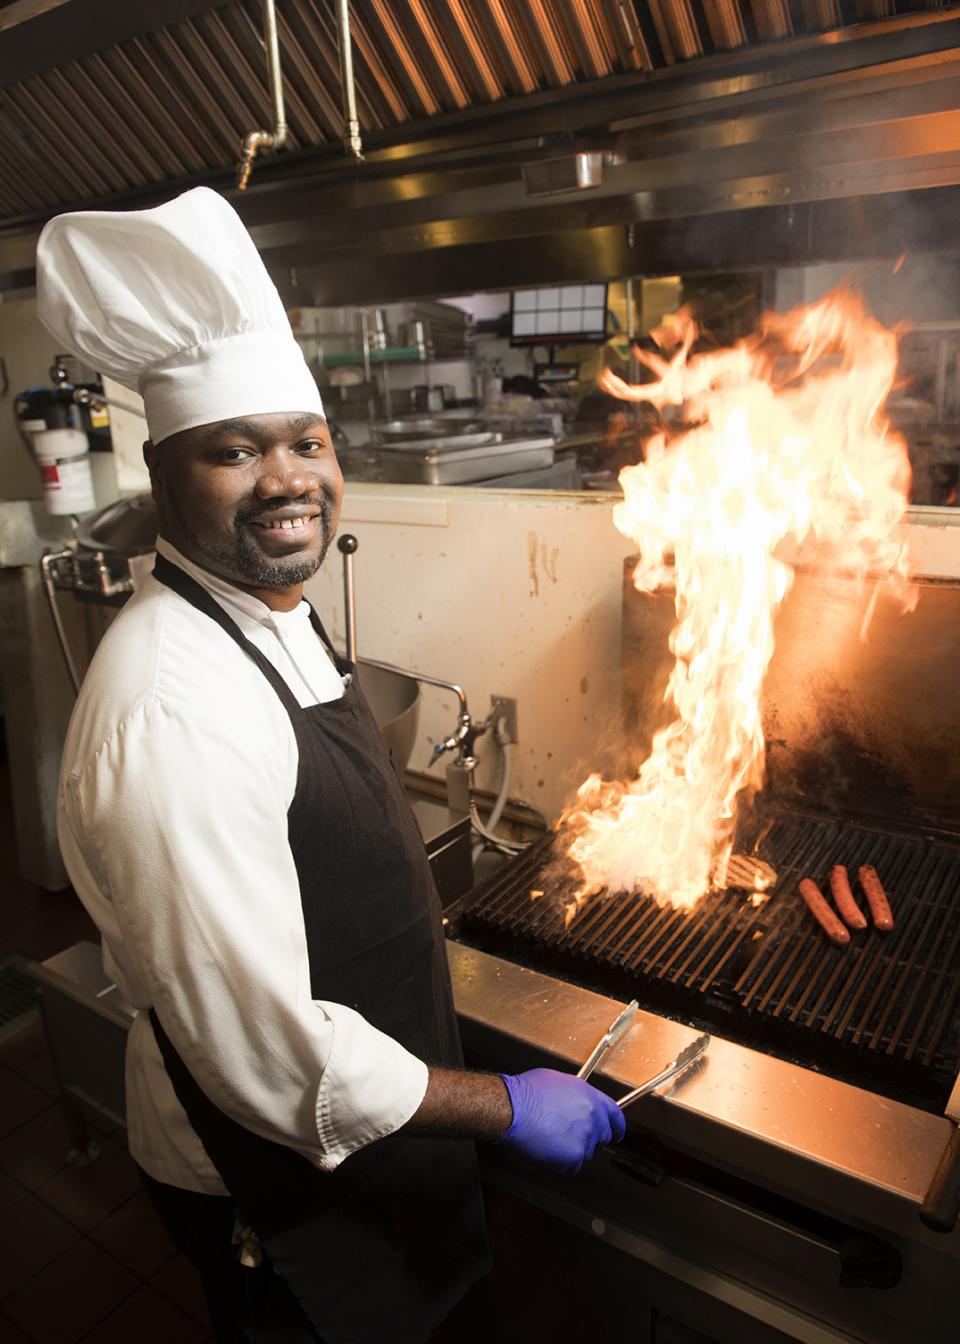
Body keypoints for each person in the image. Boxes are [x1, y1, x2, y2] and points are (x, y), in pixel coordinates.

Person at [37, 188, 625, 1344]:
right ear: (165, 471)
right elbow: (267, 1052)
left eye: (306, 442)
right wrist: (506, 1104)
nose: (287, 479)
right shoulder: (171, 710)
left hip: (362, 1130)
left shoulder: (266, 609)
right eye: (234, 450)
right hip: (264, 1175)